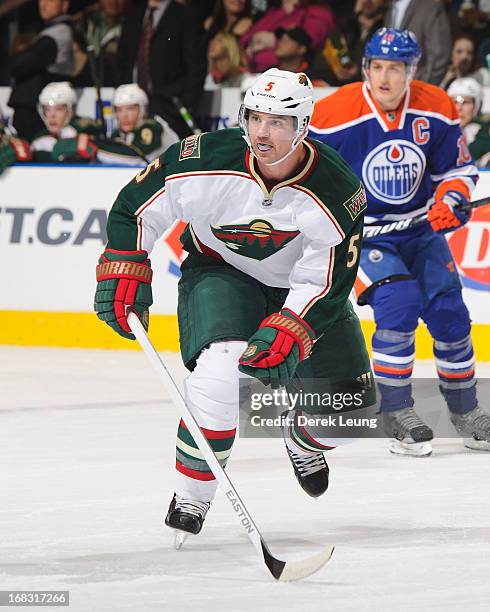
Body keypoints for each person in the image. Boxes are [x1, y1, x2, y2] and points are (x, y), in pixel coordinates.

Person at [94, 68, 374, 537]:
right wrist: (126, 261)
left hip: (299, 290)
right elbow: (134, 206)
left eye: (278, 122)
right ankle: (193, 495)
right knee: (221, 374)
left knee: (351, 412)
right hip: (221, 272)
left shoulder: (336, 190)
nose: (262, 133)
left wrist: (290, 328)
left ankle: (301, 438)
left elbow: (326, 281)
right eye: (255, 118)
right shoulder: (203, 158)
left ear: (303, 126)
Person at [309, 28, 490, 456]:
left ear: (411, 70)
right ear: (365, 68)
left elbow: (457, 170)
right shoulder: (333, 114)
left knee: (450, 314)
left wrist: (451, 199)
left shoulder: (438, 106)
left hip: (421, 230)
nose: (384, 77)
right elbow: (310, 178)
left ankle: (466, 412)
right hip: (365, 233)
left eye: (395, 68)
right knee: (400, 304)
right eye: (377, 67)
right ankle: (395, 411)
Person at [116, 0, 207, 138]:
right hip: (133, 105)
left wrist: (184, 105)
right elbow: (123, 59)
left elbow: (196, 66)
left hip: (170, 109)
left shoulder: (185, 15)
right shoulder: (133, 14)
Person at [8, 0, 74, 141]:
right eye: (41, 0)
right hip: (32, 108)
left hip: (39, 112)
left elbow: (20, 64)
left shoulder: (60, 32)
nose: (43, 4)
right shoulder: (49, 30)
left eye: (50, 0)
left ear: (64, 5)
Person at [241, 0, 334, 73]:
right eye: (282, 38)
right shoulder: (274, 11)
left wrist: (274, 41)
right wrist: (254, 42)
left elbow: (306, 42)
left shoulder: (317, 13)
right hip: (261, 75)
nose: (283, 40)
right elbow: (245, 40)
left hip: (300, 74)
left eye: (286, 39)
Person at [96, 84, 180, 165]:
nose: (124, 115)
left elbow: (135, 158)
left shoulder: (153, 126)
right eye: (119, 110)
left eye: (130, 109)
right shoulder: (120, 133)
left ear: (143, 109)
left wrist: (94, 148)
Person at [30, 81, 101, 163]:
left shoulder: (85, 130)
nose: (52, 115)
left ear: (72, 110)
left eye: (59, 109)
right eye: (47, 109)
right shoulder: (39, 139)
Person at [384, 0, 451, 85]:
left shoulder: (430, 7)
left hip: (418, 89)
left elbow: (439, 57)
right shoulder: (390, 9)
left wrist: (419, 87)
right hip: (393, 88)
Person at [448, 77, 490, 168]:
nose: (459, 108)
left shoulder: (484, 132)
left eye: (465, 102)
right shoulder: (440, 132)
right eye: (455, 102)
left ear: (477, 105)